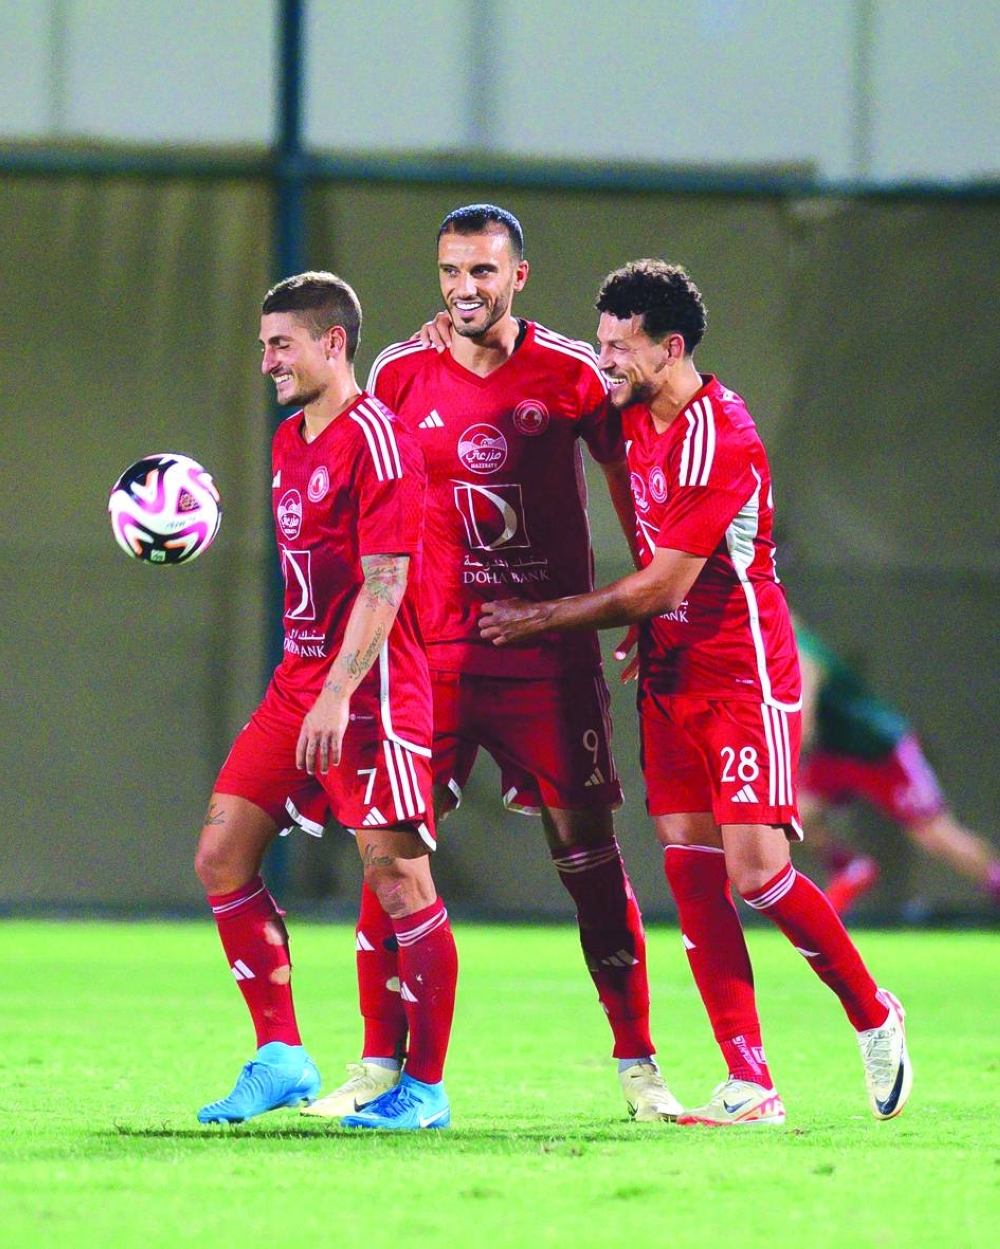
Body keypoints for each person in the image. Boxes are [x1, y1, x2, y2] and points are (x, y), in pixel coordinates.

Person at [479, 259, 913, 1126]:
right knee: (689, 864)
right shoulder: (630, 411)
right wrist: (467, 331)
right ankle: (750, 1079)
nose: (605, 360)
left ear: (671, 348)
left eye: (620, 346)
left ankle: (874, 1014)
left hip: (741, 673)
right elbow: (570, 403)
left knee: (759, 874)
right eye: (601, 342)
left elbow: (665, 584)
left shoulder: (722, 435)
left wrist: (541, 618)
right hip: (670, 671)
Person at [302, 205, 680, 1123]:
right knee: (389, 854)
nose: (464, 289)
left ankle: (640, 1068)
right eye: (450, 272)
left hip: (547, 661)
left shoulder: (573, 373)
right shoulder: (399, 371)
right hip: (427, 658)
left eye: (481, 271)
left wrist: (645, 602)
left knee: (588, 861)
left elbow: (630, 489)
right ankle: (376, 1066)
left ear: (519, 276)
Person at [194, 271, 458, 1131]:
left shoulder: (378, 440)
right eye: (265, 344)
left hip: (371, 691)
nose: (267, 361)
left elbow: (386, 582)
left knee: (401, 882)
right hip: (297, 685)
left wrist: (338, 694)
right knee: (222, 855)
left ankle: (424, 1088)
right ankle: (281, 1054)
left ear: (333, 342)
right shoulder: (288, 441)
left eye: (282, 344)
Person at [794, 617, 1000, 915]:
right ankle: (849, 867)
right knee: (792, 816)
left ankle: (995, 881)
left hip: (881, 750)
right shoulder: (787, 647)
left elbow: (804, 721)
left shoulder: (801, 652)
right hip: (837, 753)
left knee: (934, 834)